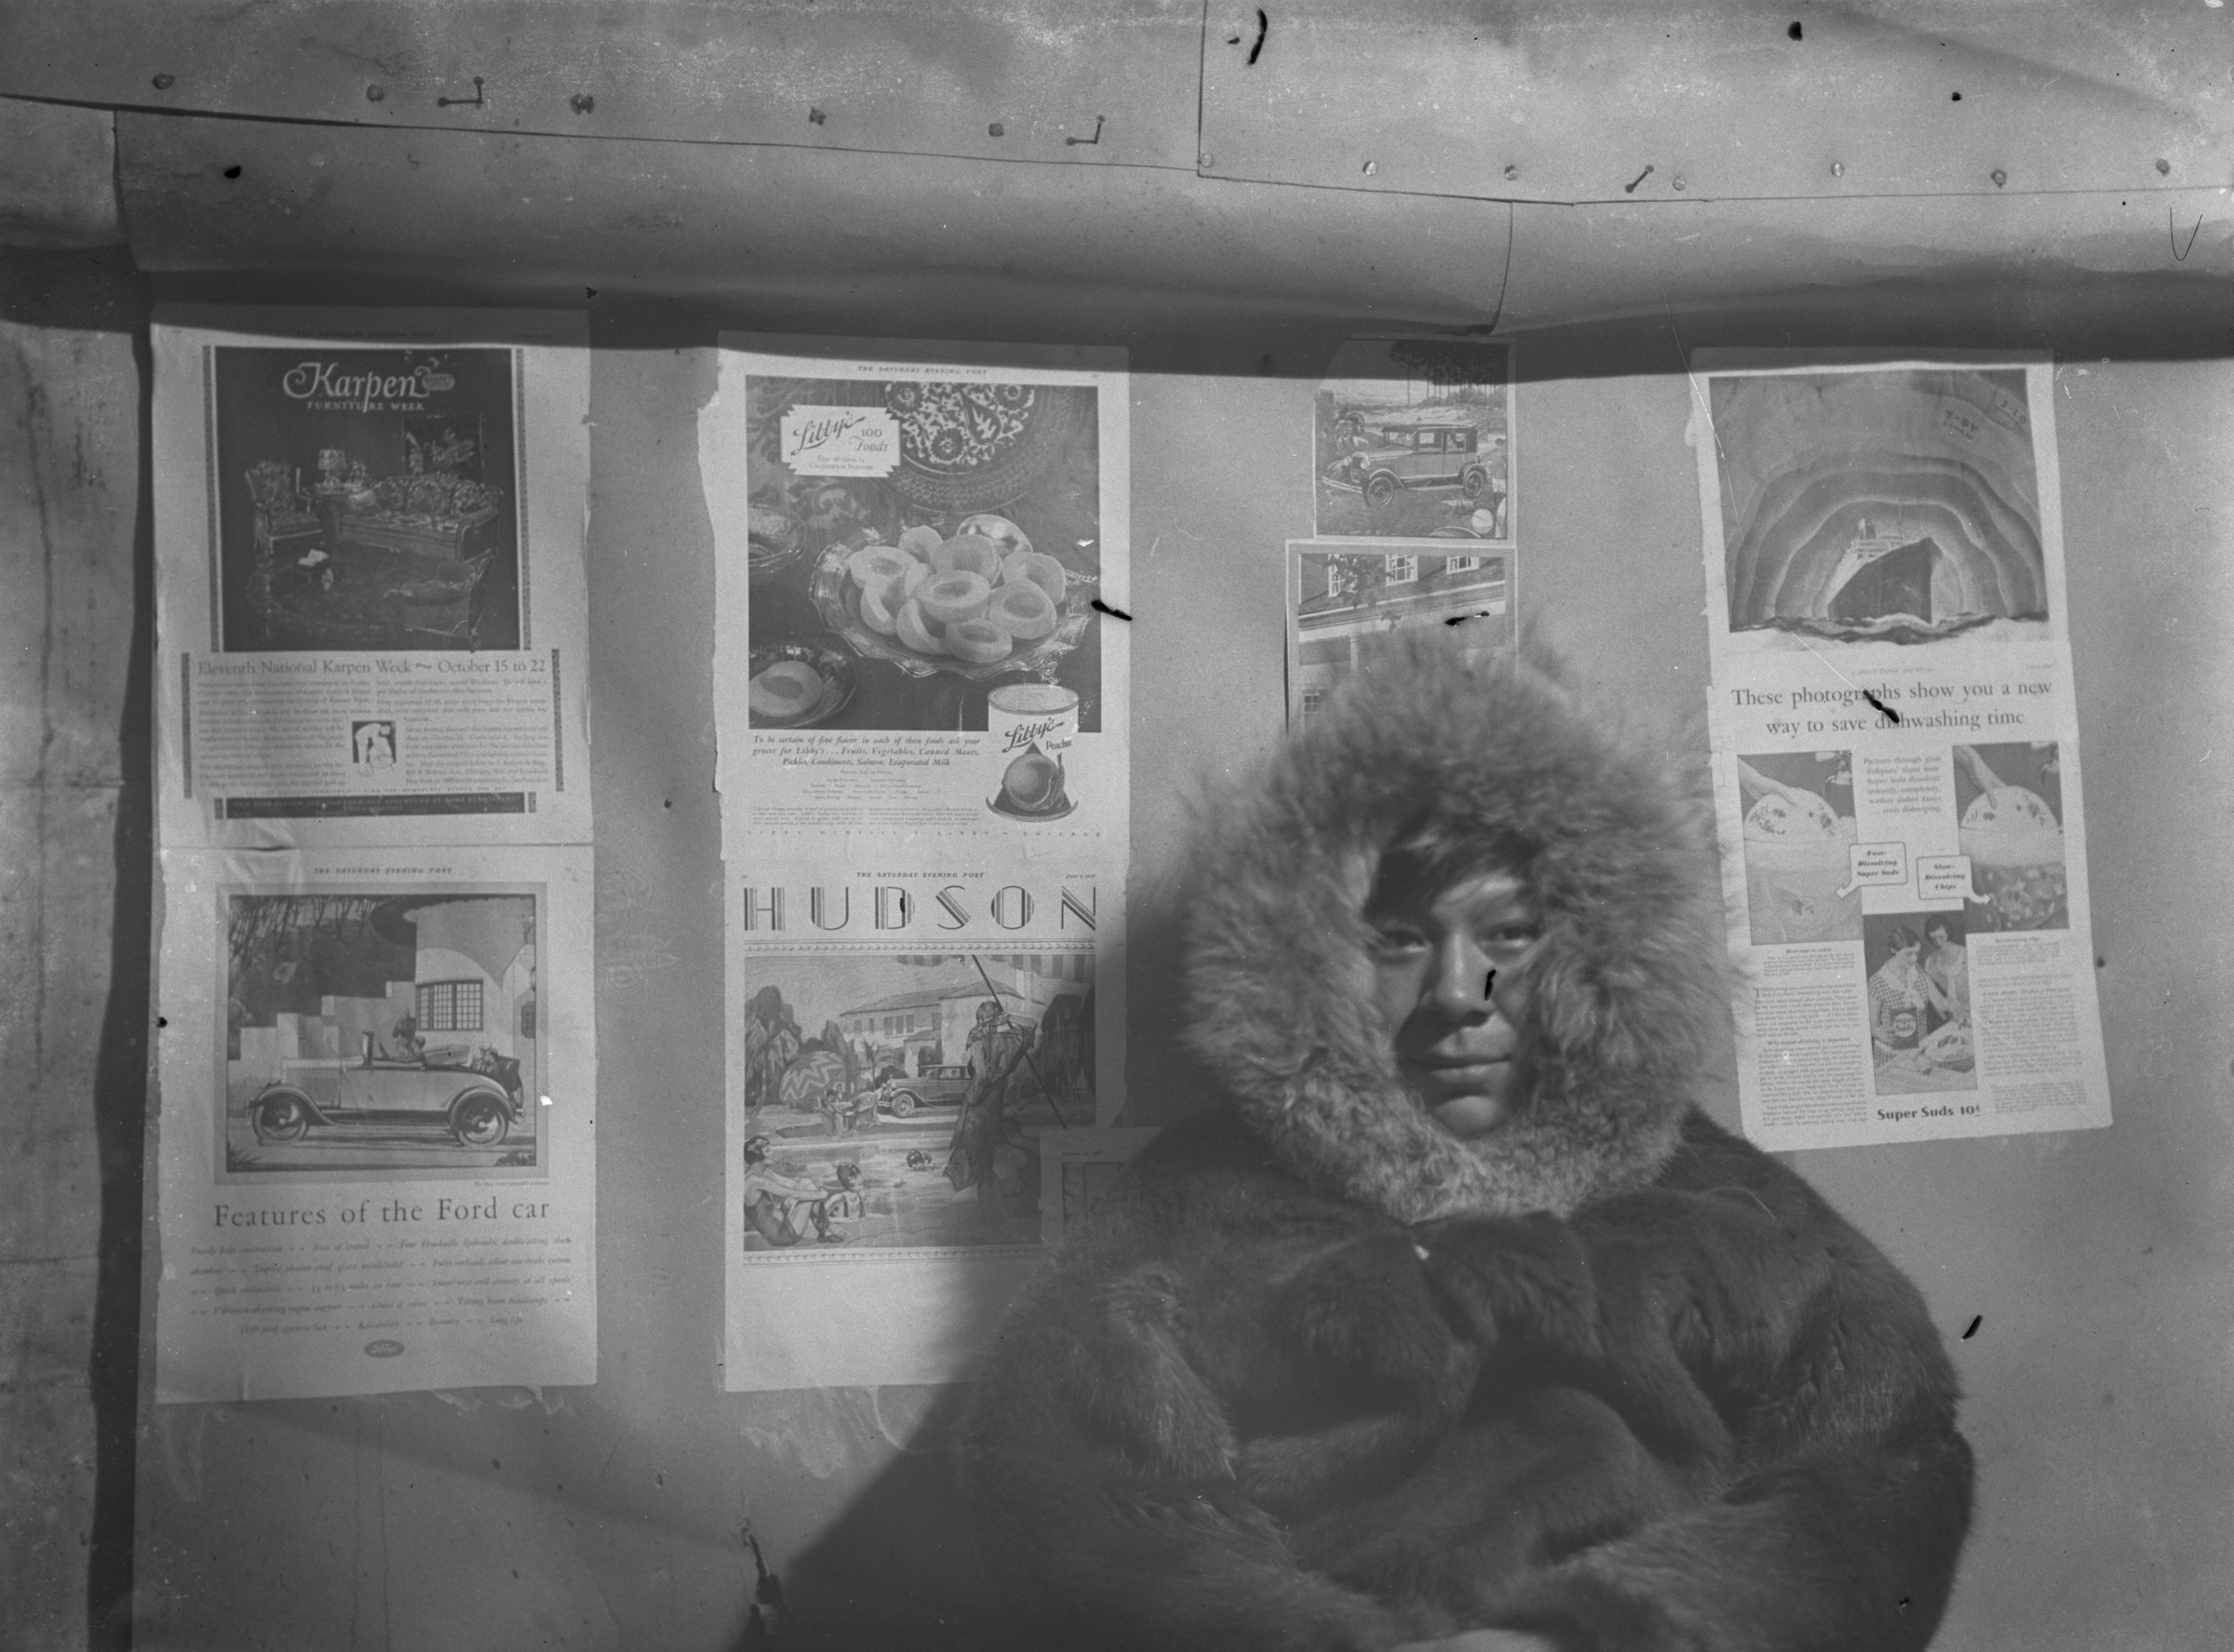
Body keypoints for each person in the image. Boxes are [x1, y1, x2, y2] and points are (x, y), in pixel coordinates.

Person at [959, 641, 1972, 1652]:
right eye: (1400, 938)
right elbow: (1055, 1485)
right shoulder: (1194, 1197)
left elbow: (1881, 1480)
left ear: (1597, 952)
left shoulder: (1734, 1204)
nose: (1456, 992)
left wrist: (1611, 1630)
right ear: (1312, 953)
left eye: (1510, 935)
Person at [740, 1135, 838, 1247]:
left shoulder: (764, 1172)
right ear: (757, 1156)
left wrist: (817, 1190)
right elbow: (794, 1194)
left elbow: (794, 1185)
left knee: (806, 1182)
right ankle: (826, 1231)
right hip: (782, 1236)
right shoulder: (755, 1181)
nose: (773, 1153)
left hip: (781, 1222)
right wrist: (821, 1194)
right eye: (767, 1151)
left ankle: (825, 1230)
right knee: (809, 1195)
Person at [1870, 925, 1931, 1056]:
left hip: (1919, 1050)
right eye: (1908, 954)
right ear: (1894, 950)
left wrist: (1952, 1005)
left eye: (1917, 953)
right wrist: (1878, 1032)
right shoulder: (1877, 981)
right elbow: (1872, 1026)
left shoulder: (1919, 971)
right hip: (1891, 1054)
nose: (1914, 959)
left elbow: (1941, 1002)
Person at [1922, 918, 1971, 1032]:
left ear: (1948, 933)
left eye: (1941, 937)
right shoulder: (1930, 963)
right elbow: (1934, 998)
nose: (1938, 943)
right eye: (1933, 939)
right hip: (1950, 1024)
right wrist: (1946, 1019)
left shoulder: (1968, 953)